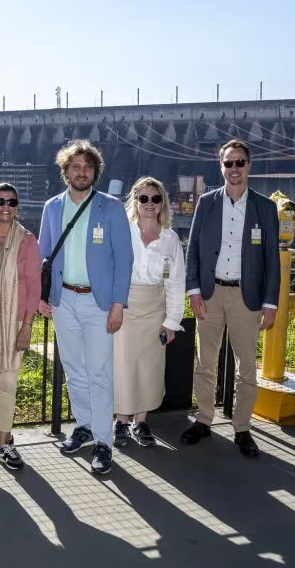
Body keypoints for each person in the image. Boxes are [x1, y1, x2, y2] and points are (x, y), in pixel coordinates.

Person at [37, 140, 133, 476]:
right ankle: (85, 426)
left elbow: (124, 259)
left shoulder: (111, 207)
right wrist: (42, 295)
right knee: (74, 369)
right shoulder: (52, 207)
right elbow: (44, 254)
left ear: (95, 172)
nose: (81, 172)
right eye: (75, 167)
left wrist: (118, 304)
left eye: (87, 167)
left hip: (98, 302)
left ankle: (104, 442)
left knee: (99, 373)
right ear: (66, 171)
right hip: (63, 300)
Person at [181, 139, 280, 458]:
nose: (234, 168)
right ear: (220, 166)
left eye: (239, 162)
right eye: (228, 163)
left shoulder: (265, 208)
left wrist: (270, 302)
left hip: (246, 297)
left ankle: (242, 428)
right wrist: (194, 290)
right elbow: (193, 248)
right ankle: (203, 420)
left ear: (249, 166)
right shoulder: (206, 202)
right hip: (209, 294)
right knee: (205, 363)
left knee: (247, 367)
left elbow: (272, 259)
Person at [113, 177, 185, 449]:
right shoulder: (123, 232)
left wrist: (172, 322)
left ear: (162, 203)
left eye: (155, 198)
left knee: (149, 368)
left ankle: (140, 421)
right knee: (123, 366)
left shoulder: (170, 239)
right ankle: (121, 421)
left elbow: (176, 283)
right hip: (124, 306)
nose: (149, 203)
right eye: (143, 198)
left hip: (155, 309)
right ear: (135, 201)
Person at [0, 182, 41, 470]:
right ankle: (1, 436)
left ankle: (4, 443)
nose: (6, 207)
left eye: (12, 202)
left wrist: (26, 326)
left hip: (14, 319)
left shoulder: (27, 240)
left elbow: (33, 286)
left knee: (6, 381)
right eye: (0, 201)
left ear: (18, 207)